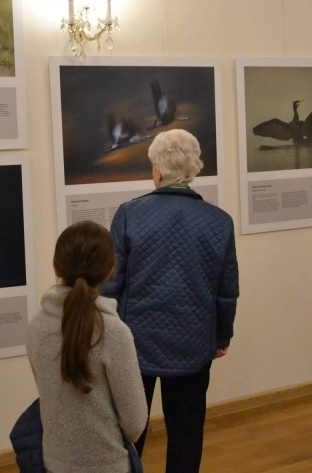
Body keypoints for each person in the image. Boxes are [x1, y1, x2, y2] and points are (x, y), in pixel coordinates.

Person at [102, 129, 240, 473]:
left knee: (129, 431)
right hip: (194, 342)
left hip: (134, 343)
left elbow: (110, 285)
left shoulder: (129, 214)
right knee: (187, 428)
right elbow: (227, 290)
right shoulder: (220, 222)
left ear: (158, 171)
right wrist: (222, 335)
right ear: (193, 170)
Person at [27, 220, 147, 473]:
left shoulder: (37, 326)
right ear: (109, 270)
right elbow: (135, 423)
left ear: (55, 267)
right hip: (108, 463)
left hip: (53, 462)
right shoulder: (114, 333)